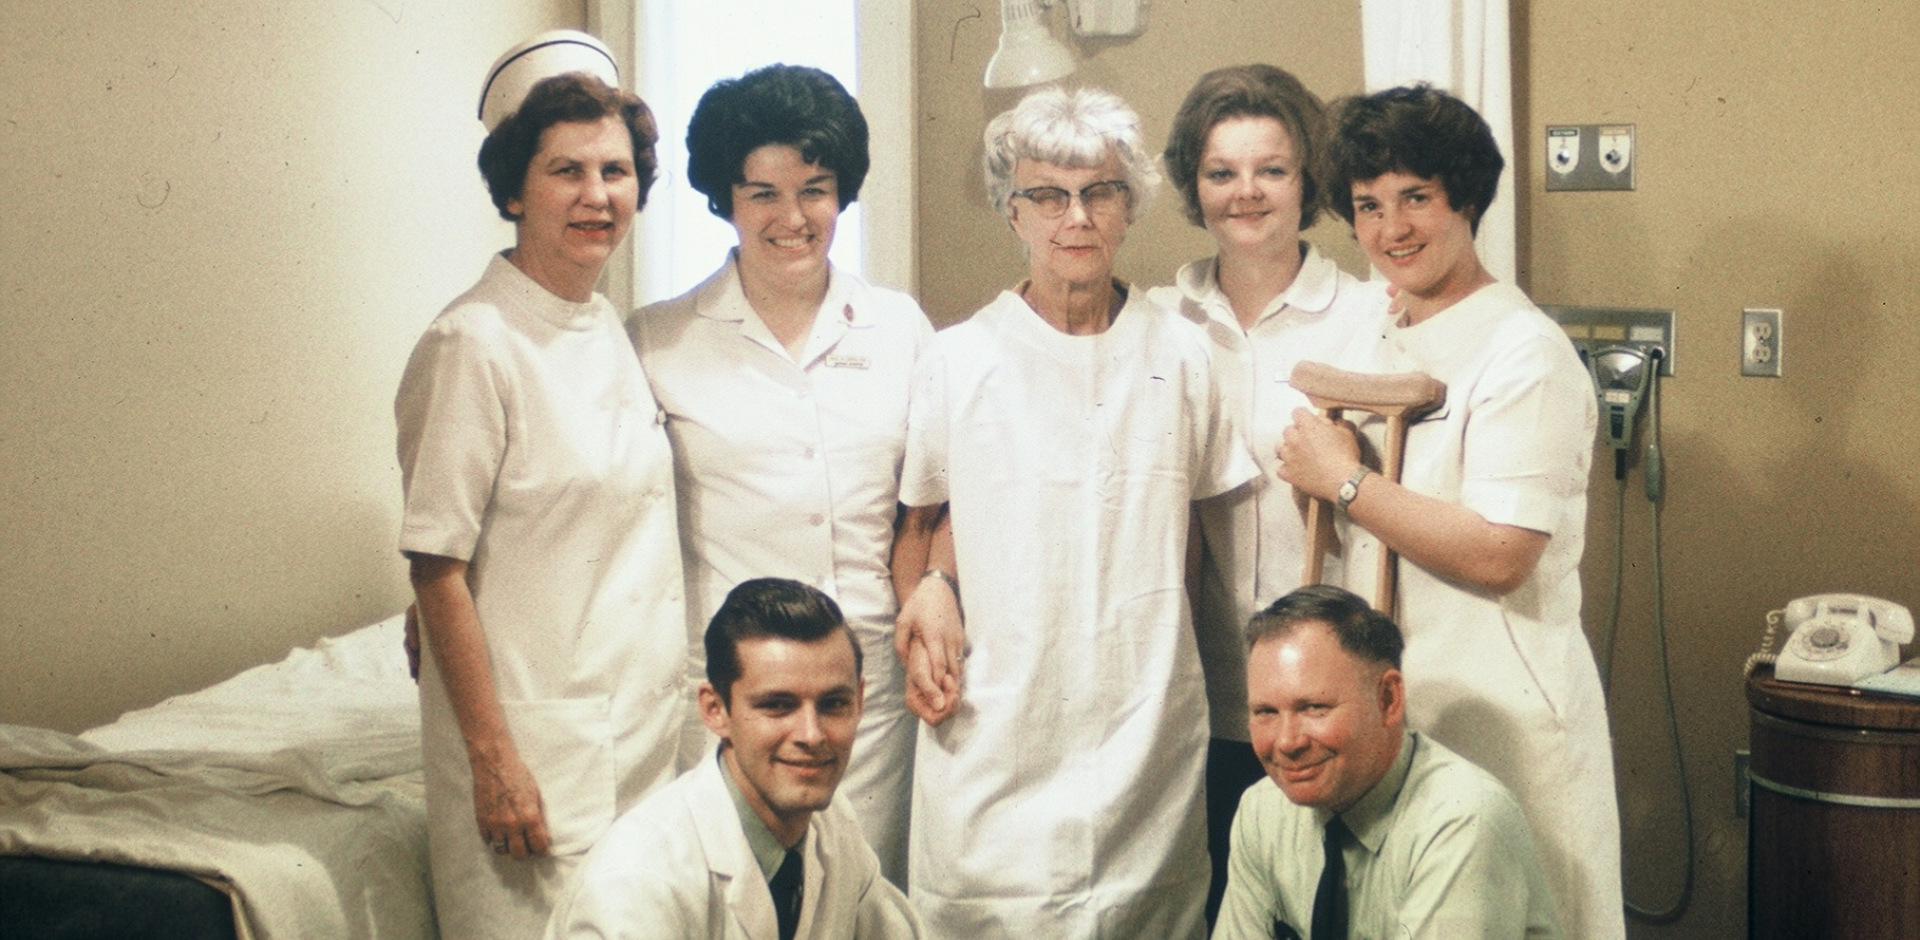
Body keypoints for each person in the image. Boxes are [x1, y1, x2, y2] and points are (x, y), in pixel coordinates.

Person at [898, 86, 1255, 939]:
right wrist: (930, 594)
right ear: (1012, 212)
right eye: (1048, 196)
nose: (1077, 217)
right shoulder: (959, 360)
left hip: (1144, 726)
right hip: (995, 726)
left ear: (1130, 206)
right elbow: (917, 529)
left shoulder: (1184, 353)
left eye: (1099, 192)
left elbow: (1196, 545)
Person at [1276, 85, 1621, 938]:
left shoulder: (1524, 353)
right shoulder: (1378, 334)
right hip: (1402, 712)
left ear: (1465, 198)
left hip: (1504, 710)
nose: (1392, 228)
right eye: (1368, 205)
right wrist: (1322, 474)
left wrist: (1345, 482)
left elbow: (1502, 552)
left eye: (1416, 198)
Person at [394, 32, 688, 940]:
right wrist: (493, 761)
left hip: (639, 746)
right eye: (566, 171)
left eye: (615, 170)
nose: (597, 195)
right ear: (515, 191)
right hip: (535, 766)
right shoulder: (473, 342)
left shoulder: (602, 326)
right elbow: (435, 564)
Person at [628, 63, 936, 883]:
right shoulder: (658, 341)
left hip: (866, 695)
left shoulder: (899, 328)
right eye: (762, 193)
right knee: (737, 901)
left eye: (815, 190)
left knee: (863, 900)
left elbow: (931, 502)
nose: (793, 218)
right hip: (735, 694)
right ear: (725, 199)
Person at [1149, 63, 1384, 926]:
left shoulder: (1368, 316)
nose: (1246, 192)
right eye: (1222, 172)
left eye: (1271, 170)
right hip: (1203, 690)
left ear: (1307, 179)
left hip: (1331, 689)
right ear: (1195, 185)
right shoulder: (1157, 319)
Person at [546, 578, 924, 940]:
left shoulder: (833, 823)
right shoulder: (636, 883)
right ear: (715, 710)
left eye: (833, 703)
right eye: (778, 705)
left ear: (860, 701)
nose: (811, 734)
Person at [1215, 585, 1562, 940]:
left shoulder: (1462, 819)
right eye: (1266, 712)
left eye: (1314, 708)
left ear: (1388, 699)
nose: (1287, 742)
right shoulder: (1262, 809)